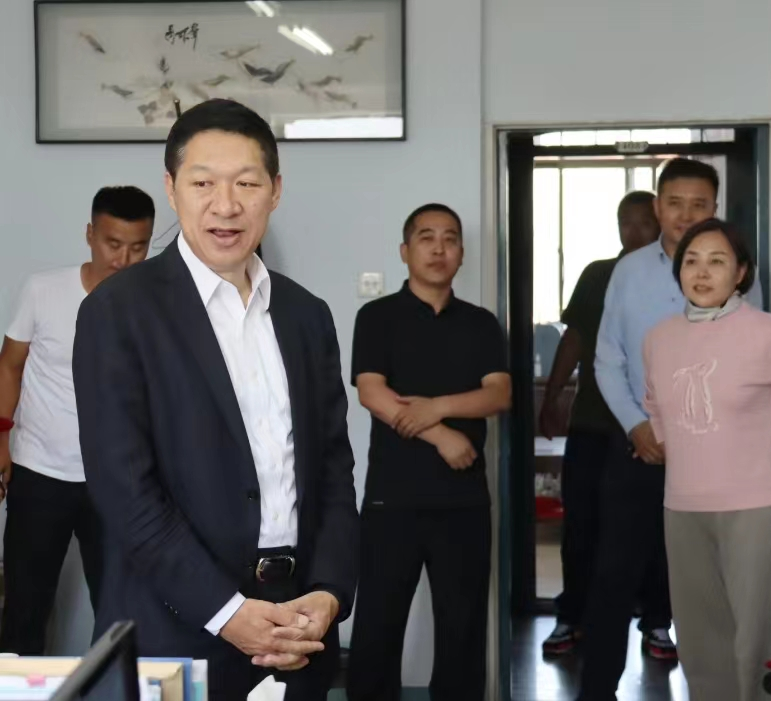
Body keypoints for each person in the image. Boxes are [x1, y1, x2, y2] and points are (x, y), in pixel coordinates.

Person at [72, 99, 359, 701]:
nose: (225, 205)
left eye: (246, 183)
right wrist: (228, 612)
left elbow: (333, 470)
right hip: (174, 628)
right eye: (203, 183)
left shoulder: (307, 315)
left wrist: (329, 592)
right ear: (171, 188)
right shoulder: (119, 312)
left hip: (298, 630)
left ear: (275, 191)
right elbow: (125, 490)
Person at [579, 158, 763, 699]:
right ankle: (596, 691)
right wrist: (637, 426)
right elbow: (607, 358)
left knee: (715, 583)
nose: (686, 215)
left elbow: (750, 359)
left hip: (716, 460)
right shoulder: (629, 271)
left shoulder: (738, 270)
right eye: (675, 203)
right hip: (641, 450)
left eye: (699, 204)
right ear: (658, 207)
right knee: (613, 576)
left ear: (715, 208)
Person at [347, 203, 511, 701]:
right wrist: (442, 435)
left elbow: (499, 394)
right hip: (391, 500)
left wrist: (434, 407)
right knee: (377, 627)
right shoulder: (376, 317)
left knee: (462, 630)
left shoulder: (481, 324)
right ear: (405, 251)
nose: (439, 248)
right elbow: (372, 392)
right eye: (426, 238)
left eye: (450, 239)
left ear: (461, 253)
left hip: (463, 502)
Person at [644, 218, 771, 701]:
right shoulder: (659, 338)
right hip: (683, 508)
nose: (701, 272)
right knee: (700, 642)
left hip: (758, 509)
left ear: (740, 273)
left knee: (760, 641)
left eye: (717, 261)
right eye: (691, 261)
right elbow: (656, 405)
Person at [0, 186, 154, 655]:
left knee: (120, 606)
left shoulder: (153, 305)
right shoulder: (43, 290)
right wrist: (1, 440)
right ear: (90, 234)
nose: (123, 259)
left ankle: (110, 686)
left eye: (137, 247)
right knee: (25, 604)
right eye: (113, 243)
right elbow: (9, 366)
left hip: (115, 479)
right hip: (39, 470)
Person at [538, 190, 660, 656]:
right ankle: (571, 617)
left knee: (653, 528)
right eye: (626, 222)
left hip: (654, 427)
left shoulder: (680, 270)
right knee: (581, 525)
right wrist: (553, 397)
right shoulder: (598, 274)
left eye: (644, 221)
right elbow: (574, 339)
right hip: (593, 421)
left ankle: (656, 622)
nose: (635, 231)